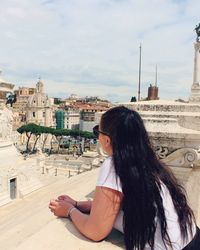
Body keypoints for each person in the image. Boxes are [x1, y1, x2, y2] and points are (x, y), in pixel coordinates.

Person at [49, 106, 200, 250]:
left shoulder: (114, 165)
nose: (97, 137)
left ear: (107, 140)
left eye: (97, 132)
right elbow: (113, 204)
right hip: (193, 237)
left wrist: (69, 211)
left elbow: (95, 231)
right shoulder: (148, 159)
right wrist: (77, 204)